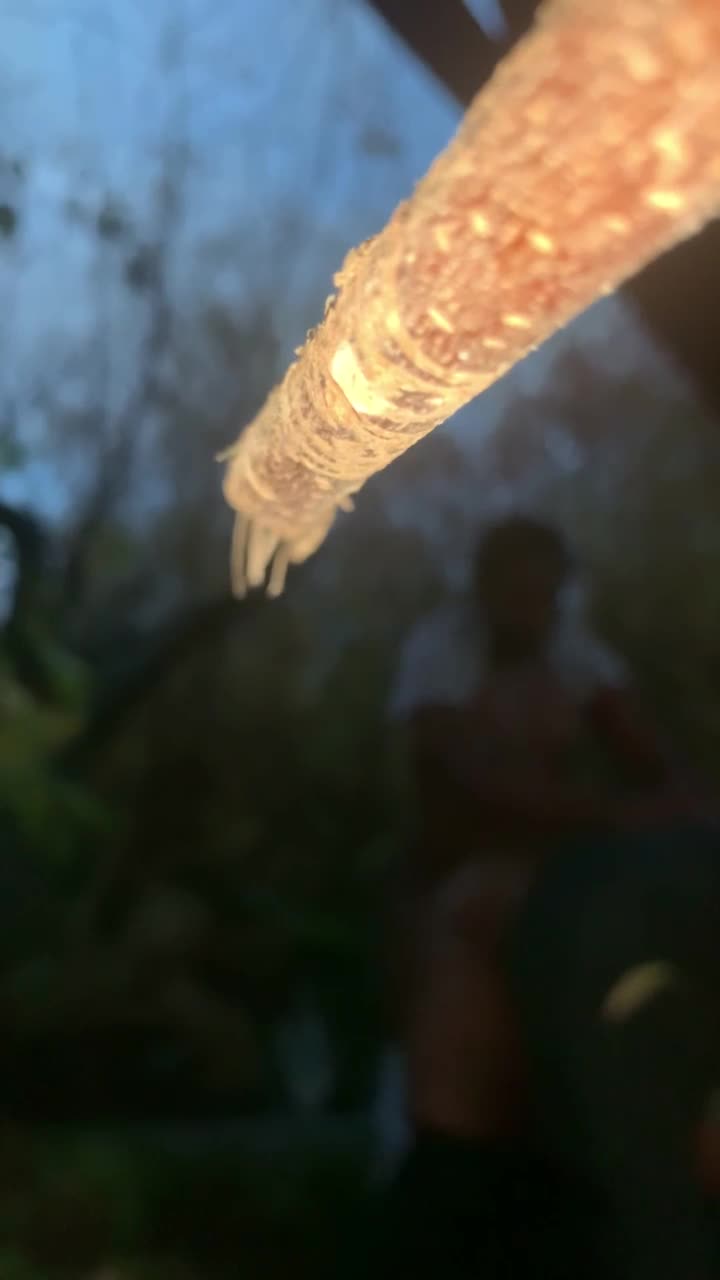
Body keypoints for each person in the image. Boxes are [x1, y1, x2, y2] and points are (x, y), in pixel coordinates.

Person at [376, 515, 710, 1275]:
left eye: (543, 593)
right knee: (447, 1046)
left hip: (558, 883)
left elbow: (648, 754)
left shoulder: (575, 651)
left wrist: (691, 817)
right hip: (452, 876)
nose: (530, 609)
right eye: (515, 591)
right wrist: (622, 816)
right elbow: (461, 773)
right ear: (484, 587)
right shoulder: (440, 648)